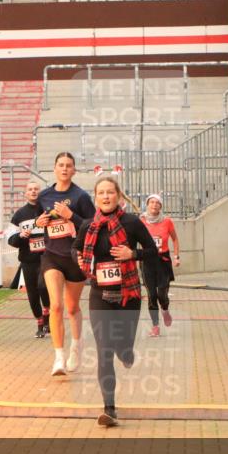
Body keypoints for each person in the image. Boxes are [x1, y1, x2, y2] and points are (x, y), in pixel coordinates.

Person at [73, 176, 158, 427]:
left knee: (123, 347)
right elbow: (75, 248)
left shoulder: (132, 222)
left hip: (128, 295)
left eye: (110, 192)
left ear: (118, 196)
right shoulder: (88, 225)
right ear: (96, 198)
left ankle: (126, 351)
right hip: (100, 296)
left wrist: (133, 253)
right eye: (101, 193)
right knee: (104, 351)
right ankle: (109, 409)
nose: (106, 196)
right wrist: (79, 259)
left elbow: (153, 251)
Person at [37, 152, 96, 376]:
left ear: (74, 170)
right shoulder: (44, 195)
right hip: (51, 256)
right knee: (56, 306)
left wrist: (71, 215)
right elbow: (38, 220)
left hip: (74, 256)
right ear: (54, 168)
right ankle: (59, 357)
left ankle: (76, 346)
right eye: (60, 165)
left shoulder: (80, 196)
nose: (64, 169)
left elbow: (92, 226)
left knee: (71, 307)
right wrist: (38, 222)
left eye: (68, 165)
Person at [6, 180, 50, 338]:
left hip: (46, 258)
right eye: (30, 189)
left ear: (40, 192)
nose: (33, 191)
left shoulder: (47, 211)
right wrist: (21, 235)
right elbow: (10, 239)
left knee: (43, 287)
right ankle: (40, 323)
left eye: (36, 189)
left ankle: (47, 315)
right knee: (32, 294)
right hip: (28, 260)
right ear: (25, 193)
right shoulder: (19, 215)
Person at [139, 193, 180, 337]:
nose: (154, 205)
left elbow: (175, 239)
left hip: (163, 261)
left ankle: (165, 309)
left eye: (157, 203)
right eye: (151, 202)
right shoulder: (141, 221)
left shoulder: (167, 221)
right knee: (151, 295)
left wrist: (176, 257)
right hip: (147, 261)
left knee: (162, 294)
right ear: (147, 204)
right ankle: (155, 326)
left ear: (160, 206)